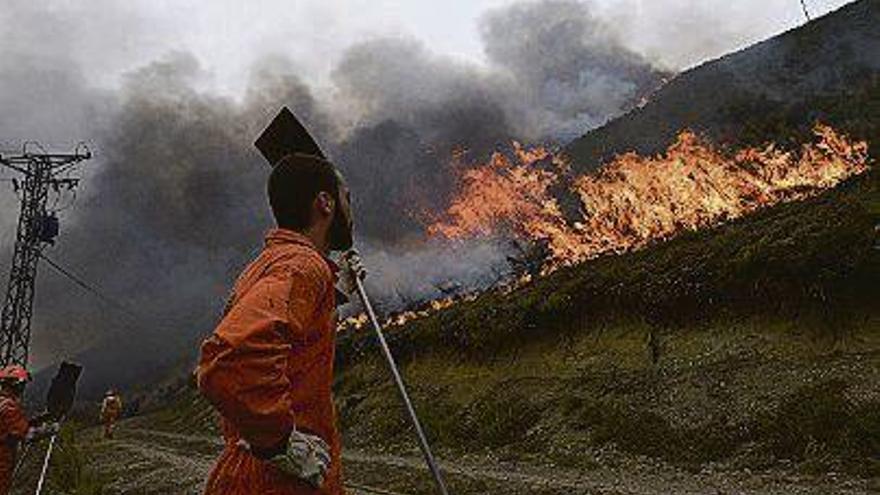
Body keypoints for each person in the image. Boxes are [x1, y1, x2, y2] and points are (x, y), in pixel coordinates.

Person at [197, 152, 354, 495]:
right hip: (278, 481)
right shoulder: (300, 266)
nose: (350, 210)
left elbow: (292, 336)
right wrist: (280, 443)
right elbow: (229, 359)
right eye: (347, 197)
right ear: (325, 203)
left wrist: (337, 290)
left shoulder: (272, 262)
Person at [0, 365, 59, 494]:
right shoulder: (9, 407)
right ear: (16, 385)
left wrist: (39, 418)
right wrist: (51, 428)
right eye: (22, 385)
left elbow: (10, 426)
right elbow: (27, 435)